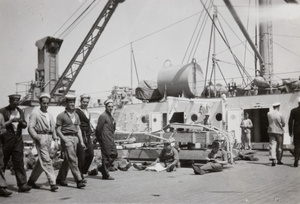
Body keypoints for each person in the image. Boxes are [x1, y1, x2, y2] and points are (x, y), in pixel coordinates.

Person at [26, 93, 59, 192]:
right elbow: (30, 128)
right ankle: (53, 183)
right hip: (41, 137)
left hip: (49, 138)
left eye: (47, 103)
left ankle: (31, 181)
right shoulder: (35, 114)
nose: (46, 105)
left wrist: (55, 139)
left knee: (42, 162)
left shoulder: (49, 115)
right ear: (40, 103)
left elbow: (53, 128)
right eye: (44, 103)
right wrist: (37, 138)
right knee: (47, 161)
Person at [0, 94, 31, 192]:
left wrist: (22, 123)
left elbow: (25, 125)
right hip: (6, 140)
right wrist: (11, 121)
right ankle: (1, 186)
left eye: (18, 100)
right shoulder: (2, 111)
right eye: (14, 100)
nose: (17, 102)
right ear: (10, 101)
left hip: (17, 140)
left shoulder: (20, 111)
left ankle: (22, 184)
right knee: (3, 162)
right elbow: (1, 126)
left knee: (19, 162)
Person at [55, 95, 86, 188]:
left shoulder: (76, 115)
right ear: (66, 103)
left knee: (67, 160)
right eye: (70, 102)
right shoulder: (61, 116)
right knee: (72, 159)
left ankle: (60, 178)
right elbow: (58, 130)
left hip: (75, 138)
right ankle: (79, 180)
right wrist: (64, 139)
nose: (72, 104)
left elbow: (78, 129)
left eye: (73, 102)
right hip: (66, 138)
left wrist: (81, 141)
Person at [96, 99, 117, 180]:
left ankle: (102, 168)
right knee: (106, 156)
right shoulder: (103, 116)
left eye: (112, 107)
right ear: (105, 107)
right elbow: (98, 129)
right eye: (109, 107)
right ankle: (105, 175)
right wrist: (99, 139)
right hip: (105, 139)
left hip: (110, 138)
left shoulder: (110, 116)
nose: (111, 108)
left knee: (114, 154)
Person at [75, 94, 94, 180]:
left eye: (87, 102)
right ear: (80, 101)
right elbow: (77, 125)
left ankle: (84, 171)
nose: (85, 104)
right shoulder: (77, 111)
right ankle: (80, 175)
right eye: (84, 102)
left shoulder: (87, 111)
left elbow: (88, 122)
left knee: (91, 154)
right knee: (81, 156)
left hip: (88, 135)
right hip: (81, 135)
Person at [267, 102, 285, 166]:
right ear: (278, 106)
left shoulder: (269, 113)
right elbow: (283, 123)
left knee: (272, 145)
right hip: (279, 131)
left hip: (271, 131)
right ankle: (279, 159)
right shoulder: (280, 114)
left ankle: (273, 158)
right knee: (279, 146)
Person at [0, 113, 12, 197]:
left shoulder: (0, 115)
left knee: (0, 165)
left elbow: (4, 129)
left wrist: (1, 130)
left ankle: (1, 187)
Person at [288, 96, 300, 167]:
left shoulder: (293, 110)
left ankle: (296, 159)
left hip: (296, 130)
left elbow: (290, 122)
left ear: (298, 102)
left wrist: (290, 131)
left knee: (297, 146)